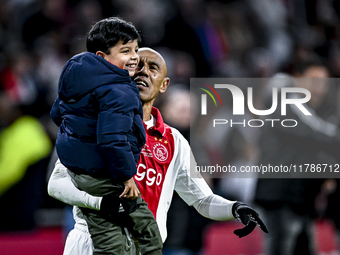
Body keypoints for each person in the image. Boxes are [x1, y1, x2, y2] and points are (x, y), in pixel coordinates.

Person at [48, 47, 268, 255]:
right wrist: (101, 203)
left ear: (163, 85)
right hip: (93, 245)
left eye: (153, 68)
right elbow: (56, 184)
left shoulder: (175, 141)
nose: (143, 71)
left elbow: (202, 200)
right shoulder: (93, 123)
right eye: (137, 65)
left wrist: (235, 209)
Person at [50, 18, 162, 255]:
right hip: (104, 176)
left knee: (143, 229)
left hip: (81, 170)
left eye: (135, 49)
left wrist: (82, 135)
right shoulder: (118, 89)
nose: (134, 57)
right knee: (120, 241)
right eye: (125, 51)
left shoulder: (76, 77)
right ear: (102, 56)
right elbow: (112, 139)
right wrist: (126, 176)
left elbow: (57, 113)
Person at [254, 55, 340, 255]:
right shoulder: (285, 102)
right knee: (281, 247)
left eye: (324, 82)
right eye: (314, 80)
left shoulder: (316, 112)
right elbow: (314, 135)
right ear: (298, 79)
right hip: (280, 194)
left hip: (302, 197)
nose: (319, 87)